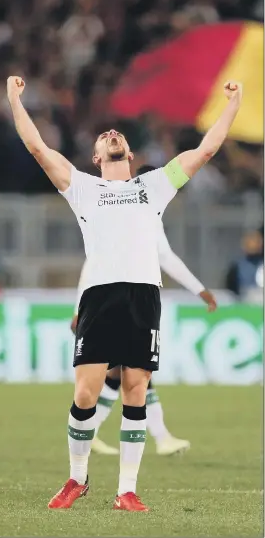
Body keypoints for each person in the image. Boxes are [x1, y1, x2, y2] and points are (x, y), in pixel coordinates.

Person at [7, 75, 242, 512]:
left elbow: (205, 149)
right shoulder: (81, 186)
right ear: (97, 156)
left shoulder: (153, 186)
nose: (111, 135)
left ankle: (127, 490)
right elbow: (38, 148)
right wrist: (14, 100)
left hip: (143, 296)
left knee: (136, 389)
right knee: (85, 395)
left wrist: (233, 104)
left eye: (118, 135)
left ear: (129, 154)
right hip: (99, 295)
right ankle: (77, 479)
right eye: (104, 136)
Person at [71, 165, 217, 457]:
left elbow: (163, 256)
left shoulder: (140, 212)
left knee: (123, 376)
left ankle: (118, 433)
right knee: (129, 375)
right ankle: (157, 437)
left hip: (124, 303)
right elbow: (99, 262)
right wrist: (80, 307)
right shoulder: (137, 210)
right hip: (119, 303)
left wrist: (199, 289)